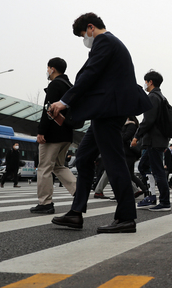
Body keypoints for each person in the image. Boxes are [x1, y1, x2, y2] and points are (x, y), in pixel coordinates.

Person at [49, 12, 151, 233]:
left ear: (91, 28)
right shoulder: (111, 43)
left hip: (108, 111)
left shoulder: (105, 41)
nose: (84, 40)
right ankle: (76, 213)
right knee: (84, 158)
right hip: (104, 112)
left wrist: (65, 101)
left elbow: (91, 74)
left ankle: (126, 217)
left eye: (83, 35)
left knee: (113, 162)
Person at [32, 58, 78, 213]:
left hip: (52, 134)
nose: (47, 71)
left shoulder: (55, 85)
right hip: (66, 134)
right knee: (59, 166)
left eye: (48, 68)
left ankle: (45, 203)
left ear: (52, 69)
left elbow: (48, 110)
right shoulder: (69, 86)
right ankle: (79, 193)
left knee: (44, 167)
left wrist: (41, 131)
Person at [132, 70, 172, 212]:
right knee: (143, 167)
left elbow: (148, 120)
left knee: (158, 171)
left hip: (155, 140)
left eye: (146, 81)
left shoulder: (153, 97)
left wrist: (137, 136)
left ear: (150, 82)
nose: (145, 84)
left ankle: (165, 202)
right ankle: (151, 197)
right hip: (156, 140)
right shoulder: (161, 97)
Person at [123, 116, 148, 197]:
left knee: (122, 173)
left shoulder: (131, 126)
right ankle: (145, 190)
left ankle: (123, 193)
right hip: (128, 153)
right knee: (130, 175)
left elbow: (126, 137)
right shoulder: (129, 125)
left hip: (129, 153)